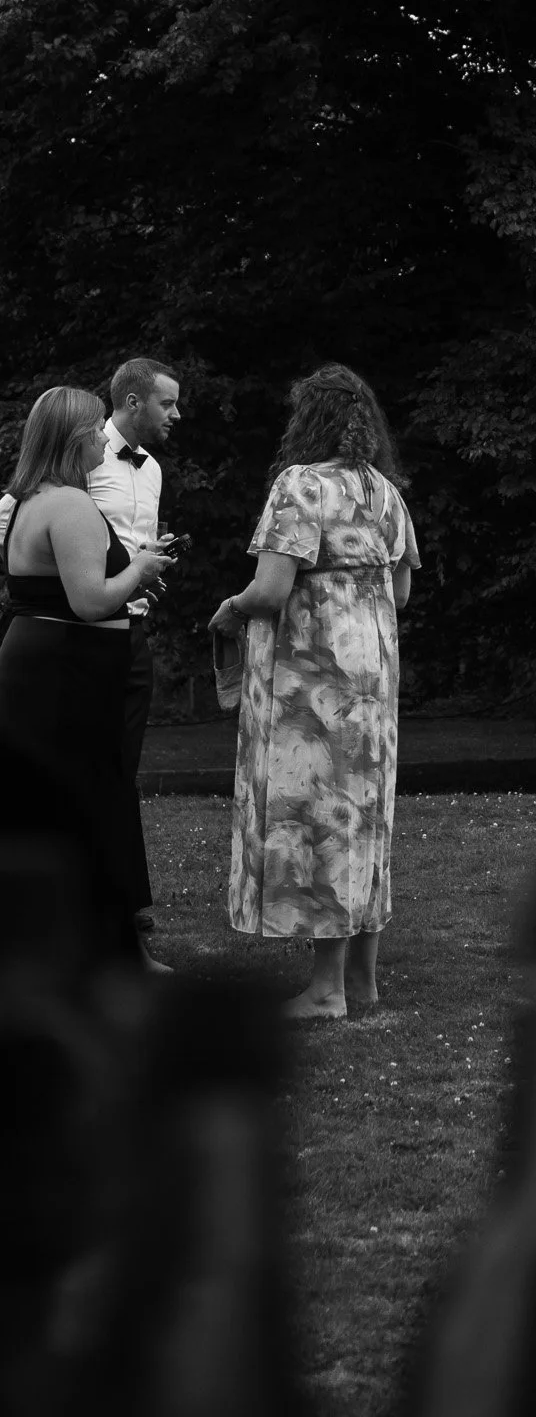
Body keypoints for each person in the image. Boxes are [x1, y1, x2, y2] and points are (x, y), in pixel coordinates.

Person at [209, 364, 420, 1021]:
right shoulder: (387, 493)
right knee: (362, 819)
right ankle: (363, 985)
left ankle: (326, 993)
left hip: (314, 681)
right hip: (373, 681)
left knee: (321, 820)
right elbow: (403, 591)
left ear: (309, 421)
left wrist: (230, 607)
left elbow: (271, 589)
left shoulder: (299, 485)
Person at [0, 388, 172, 967]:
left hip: (47, 668)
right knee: (86, 802)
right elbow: (91, 600)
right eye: (98, 428)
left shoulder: (29, 501)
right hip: (64, 677)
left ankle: (74, 944)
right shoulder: (71, 504)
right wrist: (141, 569)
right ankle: (106, 951)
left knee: (50, 805)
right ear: (75, 438)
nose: (105, 436)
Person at [93, 357, 182, 970]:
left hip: (133, 635)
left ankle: (124, 925)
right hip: (82, 635)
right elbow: (15, 517)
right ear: (131, 401)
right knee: (95, 777)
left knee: (121, 774)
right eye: (167, 404)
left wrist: (147, 565)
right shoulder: (80, 453)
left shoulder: (151, 470)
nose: (176, 415)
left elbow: (129, 549)